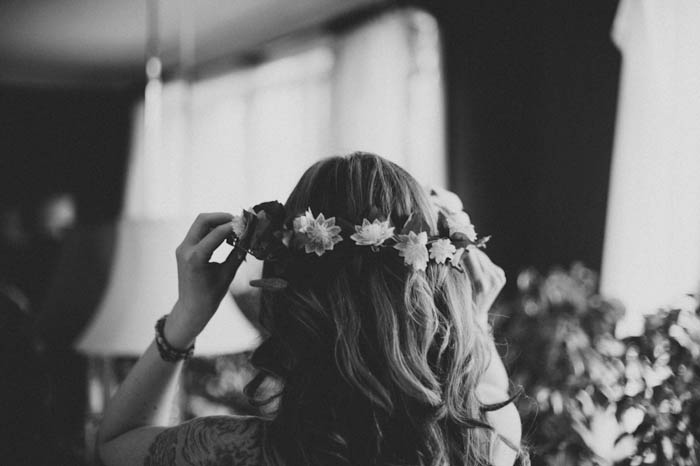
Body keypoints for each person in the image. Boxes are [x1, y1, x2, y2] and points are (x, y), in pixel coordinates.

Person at [98, 152, 524, 466]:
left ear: (289, 295)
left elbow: (116, 440)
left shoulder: (237, 452)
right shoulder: (486, 442)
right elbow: (484, 388)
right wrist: (475, 320)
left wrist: (186, 318)